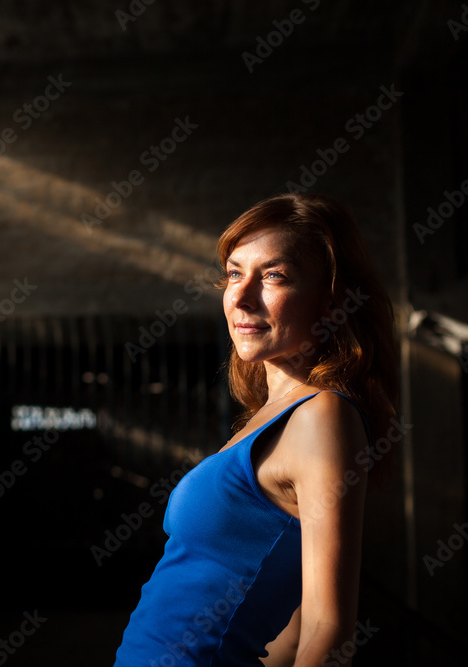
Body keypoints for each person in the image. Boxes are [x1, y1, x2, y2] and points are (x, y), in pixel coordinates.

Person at [113, 193, 397, 666]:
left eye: (273, 276)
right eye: (234, 273)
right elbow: (292, 628)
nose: (241, 297)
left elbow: (327, 630)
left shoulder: (323, 417)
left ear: (333, 300)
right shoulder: (267, 417)